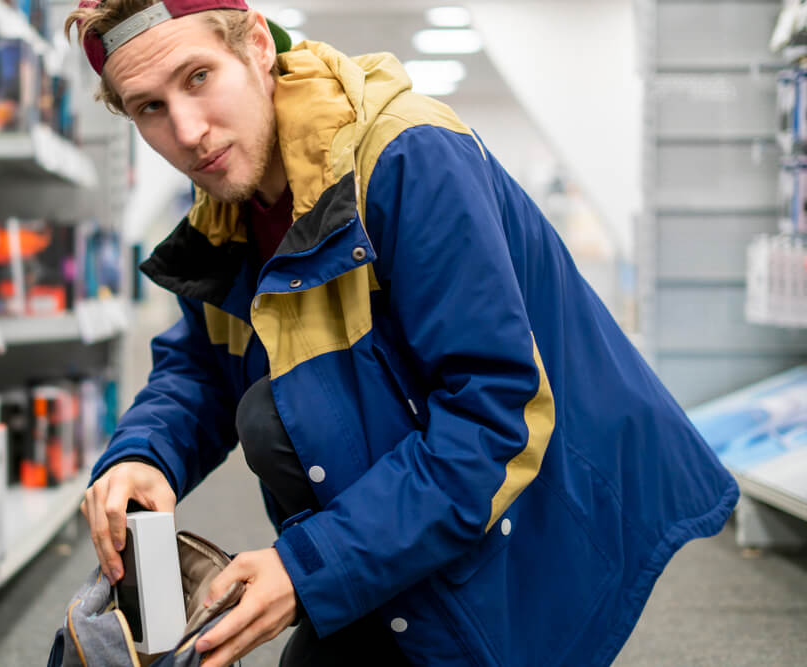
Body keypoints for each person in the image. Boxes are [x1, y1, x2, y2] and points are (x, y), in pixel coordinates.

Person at [65, 2, 739, 665]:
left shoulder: (410, 158)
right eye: (149, 106)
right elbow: (204, 366)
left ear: (259, 49)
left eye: (198, 77)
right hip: (384, 528)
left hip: (529, 531)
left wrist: (307, 569)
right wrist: (143, 453)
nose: (188, 130)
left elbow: (492, 417)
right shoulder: (228, 197)